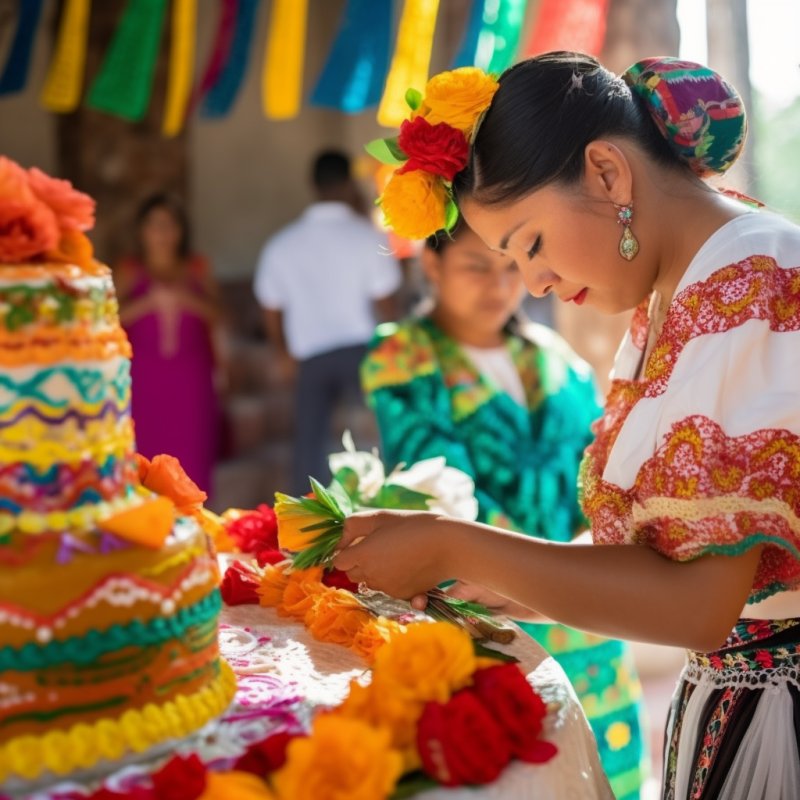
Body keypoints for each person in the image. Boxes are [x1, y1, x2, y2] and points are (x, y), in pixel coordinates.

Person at [336, 54, 800, 799]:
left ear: (608, 173)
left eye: (530, 244)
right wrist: (515, 575)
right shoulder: (684, 287)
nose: (535, 284)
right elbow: (674, 555)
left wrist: (455, 544)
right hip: (740, 700)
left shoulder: (751, 277)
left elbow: (699, 605)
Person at [361, 220, 648, 798]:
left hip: (591, 607)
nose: (497, 286)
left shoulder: (552, 356)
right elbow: (441, 484)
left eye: (510, 267)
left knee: (609, 771)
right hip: (490, 610)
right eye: (475, 266)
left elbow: (602, 469)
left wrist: (590, 556)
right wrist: (557, 575)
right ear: (431, 264)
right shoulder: (403, 356)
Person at [253, 150, 402, 493]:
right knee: (380, 435)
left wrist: (282, 353)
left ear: (312, 184)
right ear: (349, 182)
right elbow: (386, 304)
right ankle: (388, 502)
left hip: (310, 358)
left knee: (309, 444)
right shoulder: (366, 236)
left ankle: (307, 514)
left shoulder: (282, 244)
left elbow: (270, 305)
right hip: (362, 354)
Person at [116, 192, 223, 496]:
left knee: (193, 451)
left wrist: (185, 299)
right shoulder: (129, 270)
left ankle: (194, 518)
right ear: (142, 231)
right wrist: (147, 303)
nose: (161, 233)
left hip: (191, 378)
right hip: (142, 379)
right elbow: (107, 318)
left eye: (169, 225)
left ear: (181, 230)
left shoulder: (197, 268)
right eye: (154, 225)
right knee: (144, 457)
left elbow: (219, 315)